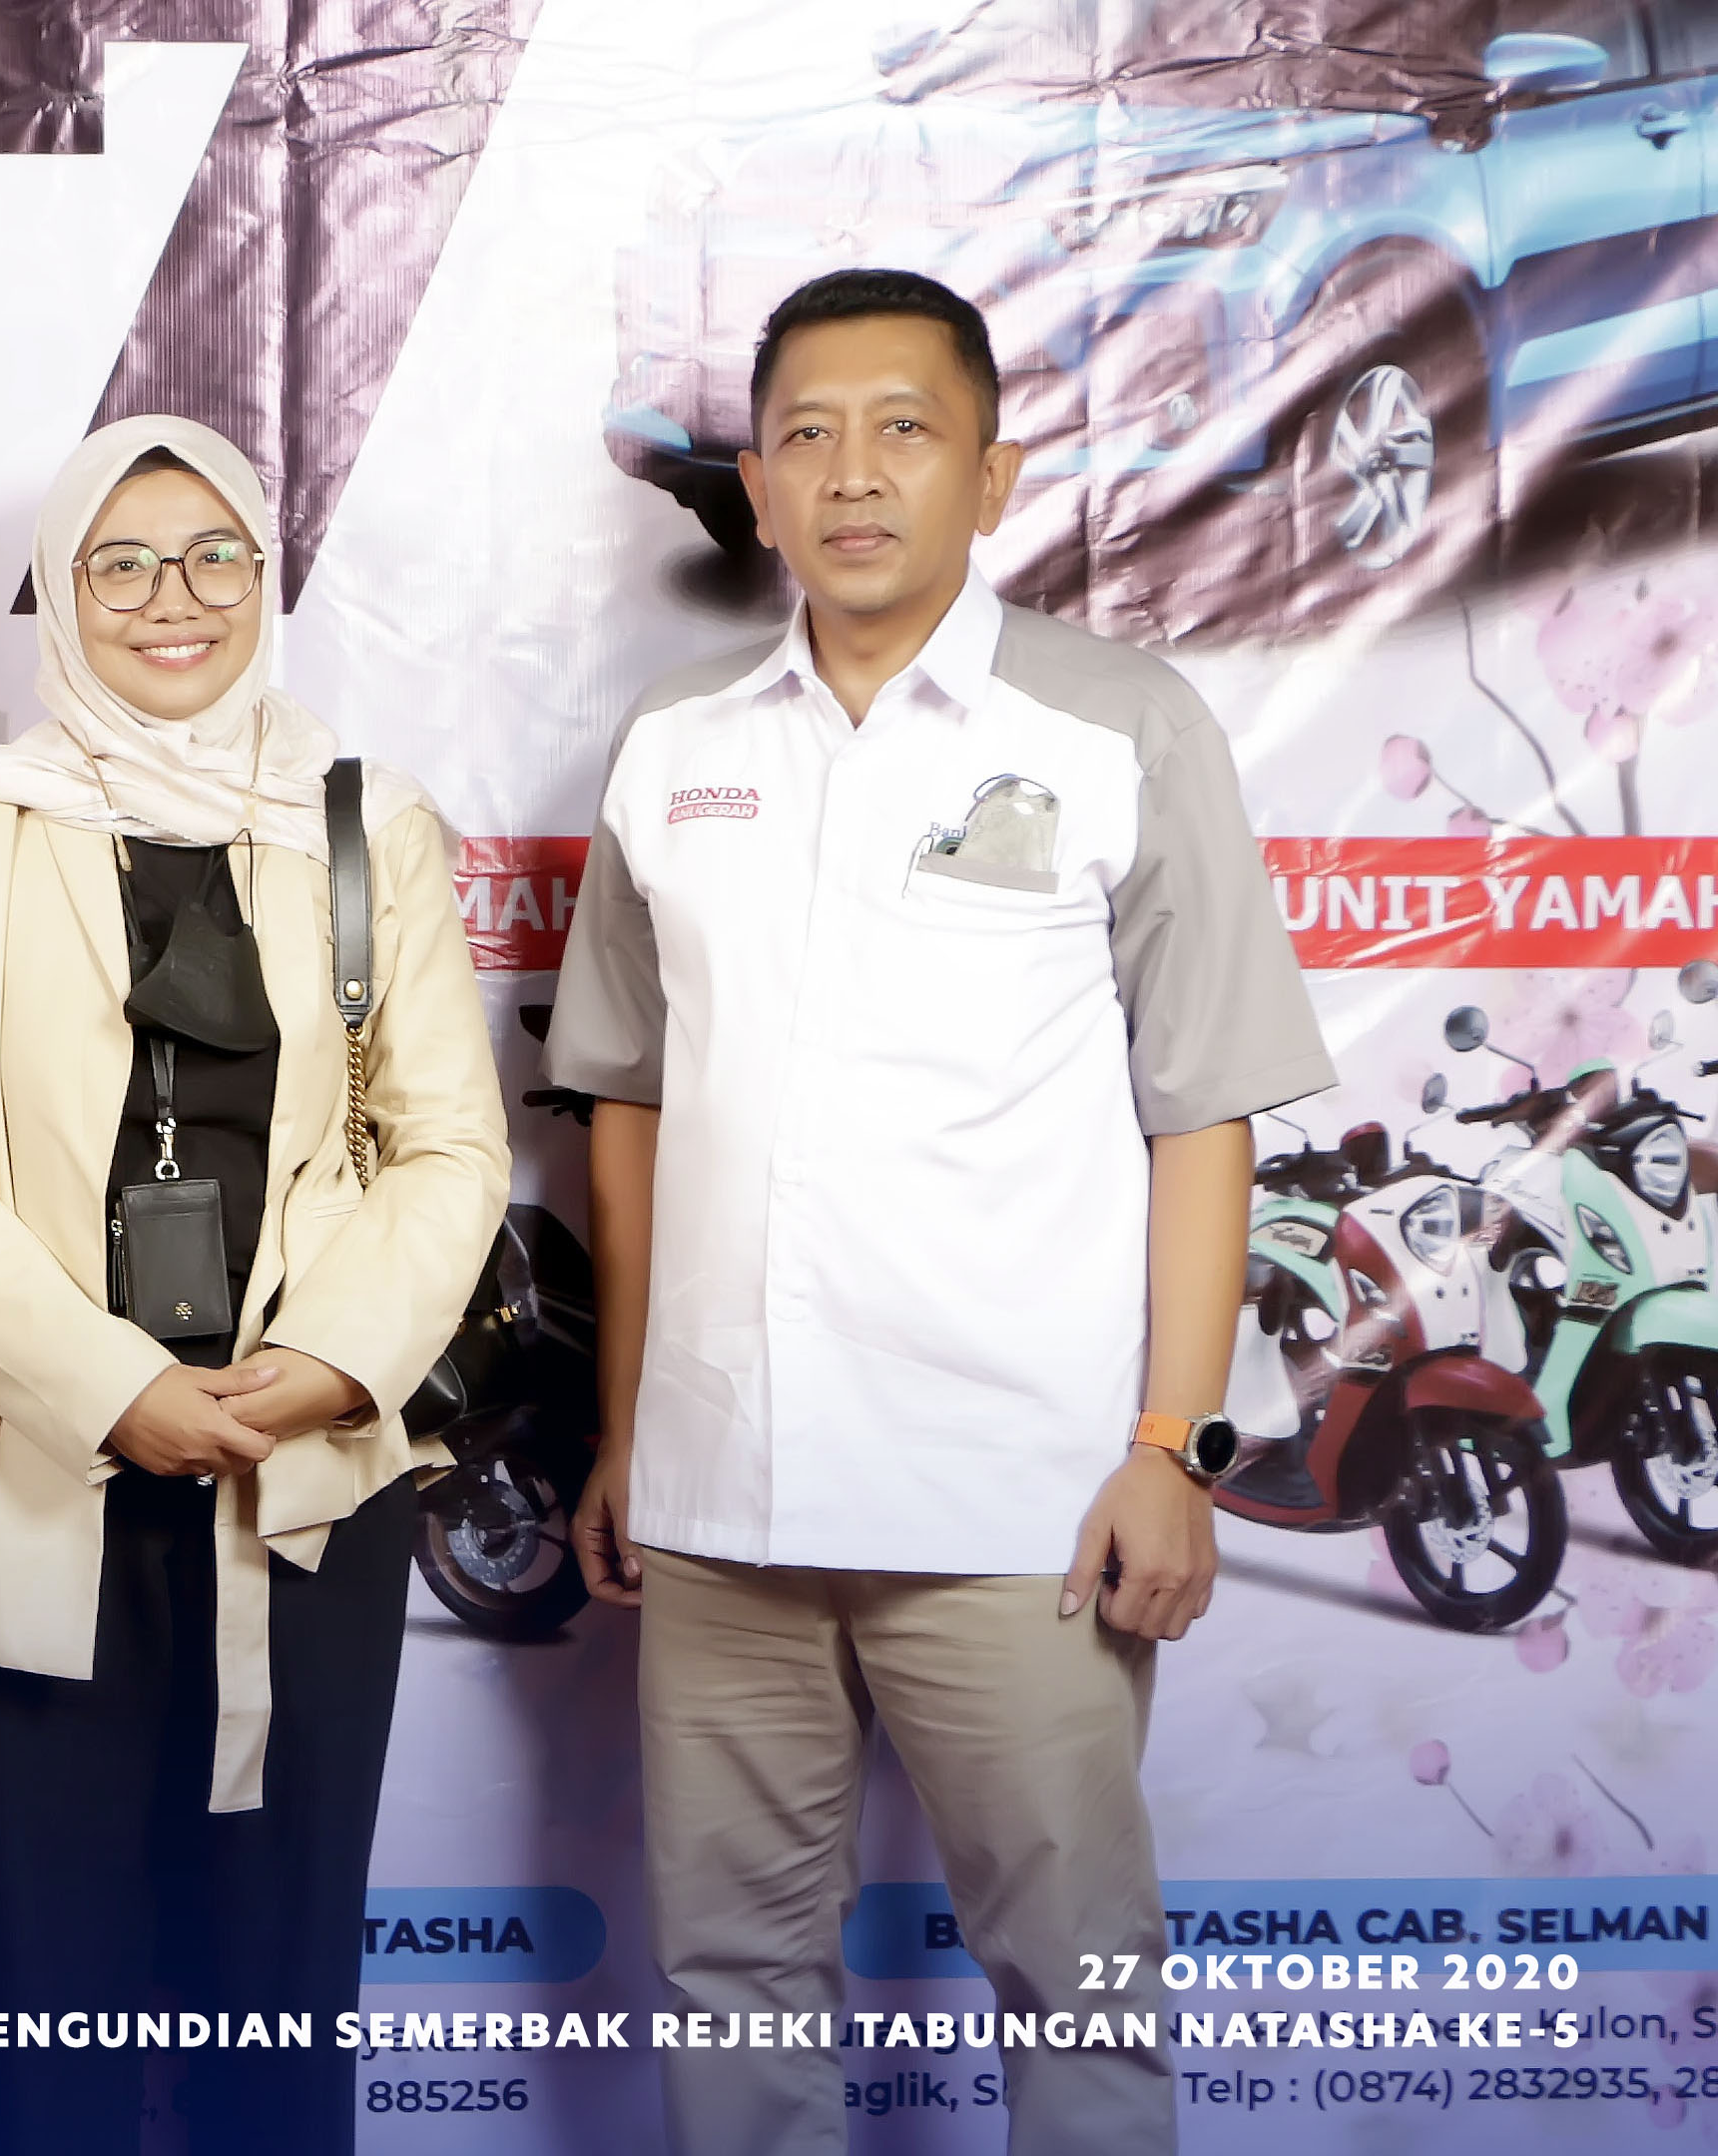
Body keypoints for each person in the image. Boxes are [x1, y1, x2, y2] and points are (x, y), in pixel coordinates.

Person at [550, 269, 1334, 2156]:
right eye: (806, 436)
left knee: (1079, 1989)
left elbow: (1203, 1112)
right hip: (722, 1504)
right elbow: (627, 1107)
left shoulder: (1120, 723)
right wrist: (629, 1427)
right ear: (755, 489)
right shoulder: (675, 740)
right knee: (730, 1985)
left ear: (993, 476)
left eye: (905, 429)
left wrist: (1172, 1445)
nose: (853, 474)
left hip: (1019, 1505)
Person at [0, 415, 512, 2154]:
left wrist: (334, 1361)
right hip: (37, 1459)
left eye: (217, 556)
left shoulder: (366, 822)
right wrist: (115, 1389)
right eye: (125, 563)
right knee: (48, 1995)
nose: (176, 598)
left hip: (308, 1472)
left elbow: (450, 1148)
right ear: (62, 592)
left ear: (268, 579)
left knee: (278, 1993)